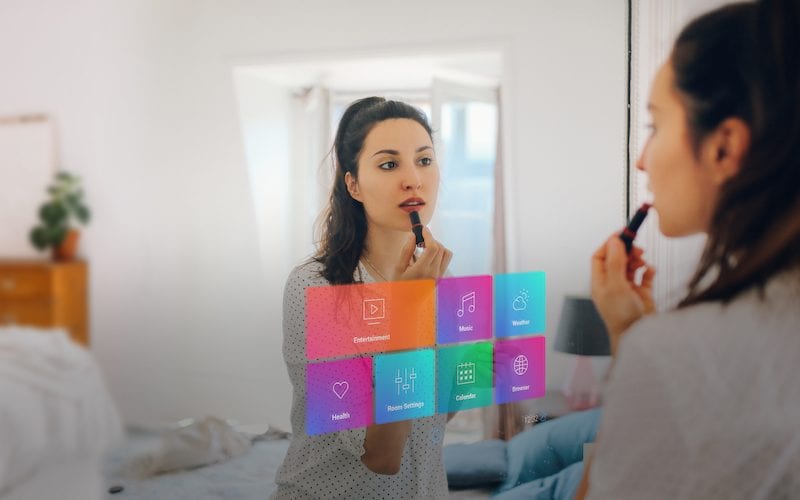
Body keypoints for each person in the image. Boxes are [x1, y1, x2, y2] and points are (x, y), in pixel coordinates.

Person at [578, 0, 800, 498]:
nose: (641, 161)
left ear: (723, 147)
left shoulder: (683, 357)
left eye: (655, 126)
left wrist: (638, 344)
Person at [272, 97, 453, 499]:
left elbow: (434, 418)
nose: (413, 179)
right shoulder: (317, 288)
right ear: (353, 183)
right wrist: (409, 312)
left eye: (424, 160)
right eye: (389, 164)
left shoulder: (440, 277)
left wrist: (477, 370)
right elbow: (381, 456)